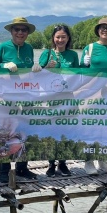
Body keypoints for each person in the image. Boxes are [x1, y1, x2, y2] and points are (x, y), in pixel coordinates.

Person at [0, 17, 42, 183]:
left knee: (24, 131)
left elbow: (28, 70)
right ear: (11, 31)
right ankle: (4, 170)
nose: (20, 32)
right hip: (6, 96)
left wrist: (36, 69)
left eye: (23, 30)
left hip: (25, 97)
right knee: (5, 132)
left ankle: (22, 168)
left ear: (27, 33)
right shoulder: (3, 47)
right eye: (17, 29)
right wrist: (3, 66)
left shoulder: (29, 48)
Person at [80, 17, 107, 174]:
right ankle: (88, 161)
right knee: (89, 128)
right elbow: (79, 73)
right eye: (102, 27)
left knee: (105, 129)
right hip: (90, 95)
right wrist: (84, 64)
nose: (105, 30)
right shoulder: (89, 48)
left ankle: (102, 159)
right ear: (98, 30)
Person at [39, 24, 78, 177]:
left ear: (68, 38)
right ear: (53, 38)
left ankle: (63, 163)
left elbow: (80, 76)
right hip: (51, 99)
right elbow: (36, 76)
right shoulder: (46, 54)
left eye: (63, 37)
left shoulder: (73, 55)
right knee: (52, 131)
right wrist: (47, 67)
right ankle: (51, 164)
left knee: (66, 132)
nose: (60, 39)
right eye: (57, 37)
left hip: (69, 98)